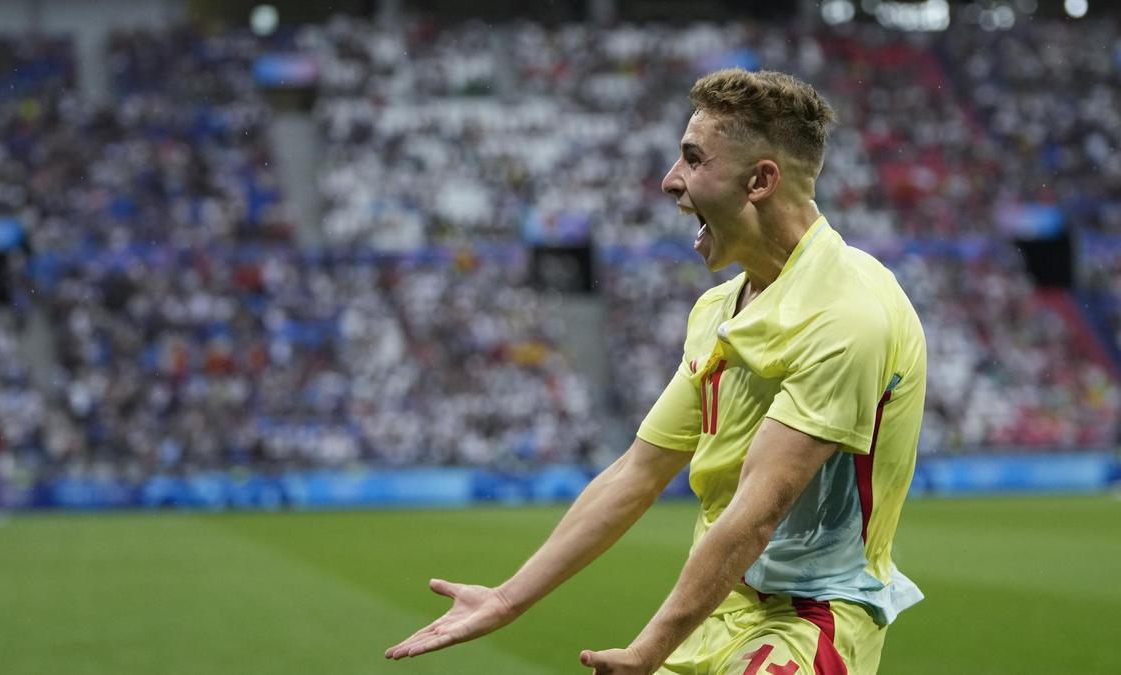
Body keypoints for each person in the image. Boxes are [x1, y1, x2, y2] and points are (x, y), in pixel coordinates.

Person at [385, 68, 926, 675]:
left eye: (693, 160)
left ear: (760, 180)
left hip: (811, 620)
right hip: (719, 612)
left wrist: (647, 650)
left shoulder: (848, 316)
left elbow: (757, 512)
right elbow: (637, 473)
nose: (671, 182)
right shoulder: (718, 311)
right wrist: (509, 598)